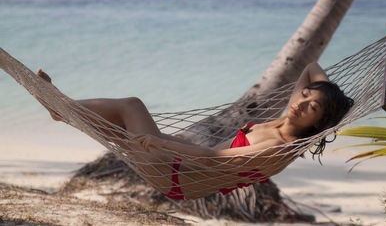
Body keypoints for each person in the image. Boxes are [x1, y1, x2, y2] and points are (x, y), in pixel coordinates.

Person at [36, 62, 353, 200]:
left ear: (318, 123)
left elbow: (213, 160)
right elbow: (311, 66)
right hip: (174, 162)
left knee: (131, 106)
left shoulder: (278, 146)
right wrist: (334, 99)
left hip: (174, 172)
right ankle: (61, 111)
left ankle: (60, 105)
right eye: (305, 94)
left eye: (312, 107)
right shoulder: (286, 119)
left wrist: (160, 142)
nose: (301, 102)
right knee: (113, 127)